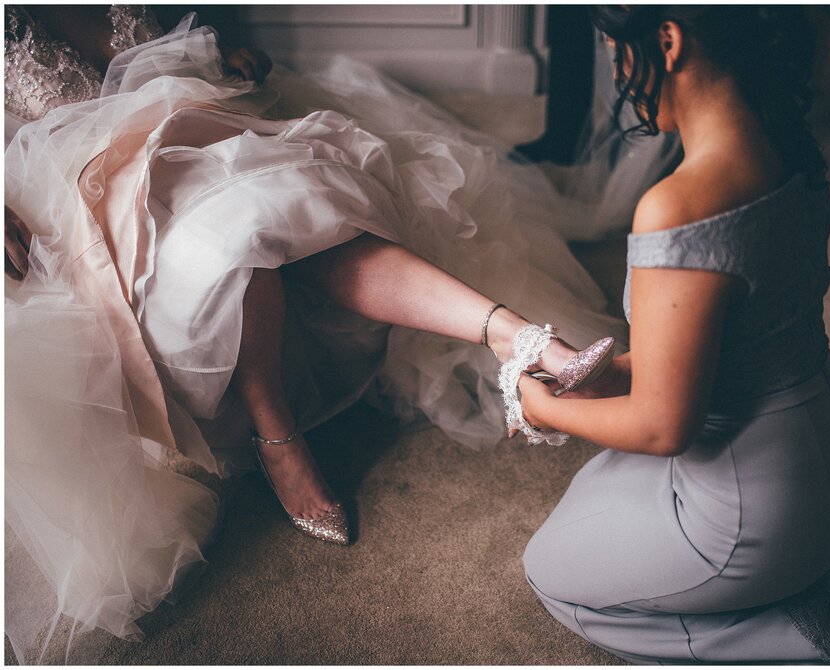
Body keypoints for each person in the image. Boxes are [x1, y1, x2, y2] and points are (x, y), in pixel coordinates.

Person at [4, 5, 625, 662]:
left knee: (295, 197)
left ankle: (510, 332)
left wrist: (223, 61)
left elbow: (169, 52)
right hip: (80, 195)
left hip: (188, 132)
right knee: (236, 227)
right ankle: (281, 432)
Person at [514, 6, 830, 663]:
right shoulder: (787, 144)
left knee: (551, 572)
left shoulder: (677, 205)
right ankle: (802, 569)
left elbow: (662, 429)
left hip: (761, 508)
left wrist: (538, 406)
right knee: (595, 490)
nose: (621, 72)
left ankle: (796, 636)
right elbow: (730, 336)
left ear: (668, 42)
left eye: (621, 53)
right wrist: (606, 373)